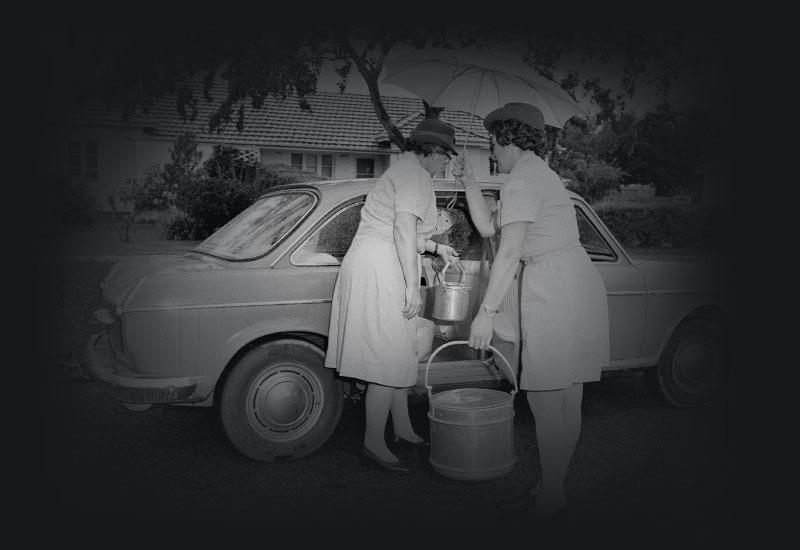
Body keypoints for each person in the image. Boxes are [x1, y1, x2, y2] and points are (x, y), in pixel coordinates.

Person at [452, 103, 609, 517]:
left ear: (507, 136)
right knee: (566, 395)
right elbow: (489, 227)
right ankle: (552, 488)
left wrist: (484, 313)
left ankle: (552, 495)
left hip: (554, 287)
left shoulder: (522, 181)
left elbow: (508, 254)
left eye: (493, 142)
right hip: (573, 279)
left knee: (544, 395)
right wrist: (470, 183)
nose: (492, 150)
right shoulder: (538, 174)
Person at [325, 118, 461, 474]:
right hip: (381, 267)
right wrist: (409, 285)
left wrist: (435, 247)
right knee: (387, 357)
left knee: (396, 351)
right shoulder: (415, 176)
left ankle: (402, 428)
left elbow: (401, 228)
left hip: (370, 259)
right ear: (432, 150)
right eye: (445, 155)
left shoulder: (401, 170)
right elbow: (402, 229)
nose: (446, 162)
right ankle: (373, 443)